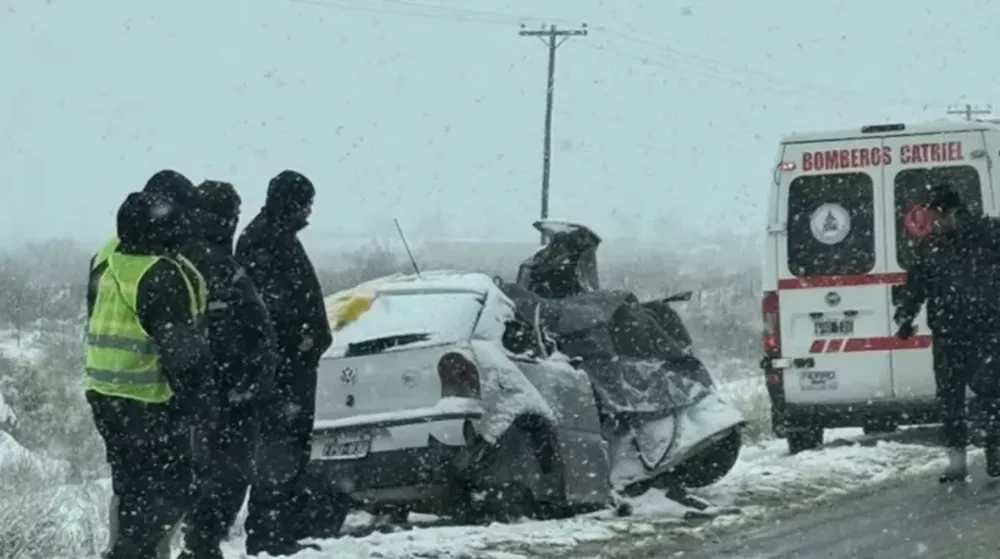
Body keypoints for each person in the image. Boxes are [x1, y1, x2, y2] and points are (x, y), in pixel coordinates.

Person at [85, 189, 209, 558]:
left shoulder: (108, 261)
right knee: (165, 497)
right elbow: (182, 356)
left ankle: (128, 550)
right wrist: (199, 405)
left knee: (133, 492)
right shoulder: (161, 274)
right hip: (149, 406)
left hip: (105, 397)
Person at [235, 170, 333, 556]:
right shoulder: (264, 240)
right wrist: (301, 339)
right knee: (279, 453)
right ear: (290, 202)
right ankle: (269, 535)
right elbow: (268, 310)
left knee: (289, 453)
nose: (309, 211)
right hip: (282, 373)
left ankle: (280, 531)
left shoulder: (277, 236)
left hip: (291, 370)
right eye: (305, 202)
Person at [180, 180, 279, 559]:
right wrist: (249, 383)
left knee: (202, 482)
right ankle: (201, 547)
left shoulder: (182, 257)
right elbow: (252, 329)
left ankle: (199, 544)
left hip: (201, 395)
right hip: (227, 396)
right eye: (232, 215)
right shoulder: (217, 265)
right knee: (224, 481)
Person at [894, 183, 1000, 482]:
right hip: (949, 334)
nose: (932, 224)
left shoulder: (990, 236)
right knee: (950, 399)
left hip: (989, 330)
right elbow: (916, 287)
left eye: (935, 217)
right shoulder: (930, 247)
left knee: (991, 393)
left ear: (950, 211)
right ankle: (956, 463)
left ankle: (995, 450)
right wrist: (905, 316)